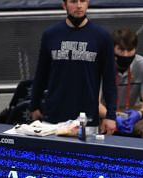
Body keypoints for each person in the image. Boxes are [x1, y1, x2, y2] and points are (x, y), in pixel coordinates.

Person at [30, 0, 117, 134]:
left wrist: (111, 115)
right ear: (64, 5)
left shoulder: (102, 37)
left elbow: (109, 80)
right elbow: (41, 74)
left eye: (83, 1)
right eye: (73, 1)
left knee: (83, 155)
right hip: (53, 116)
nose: (79, 5)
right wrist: (34, 105)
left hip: (86, 117)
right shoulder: (50, 35)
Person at [98, 29, 143, 140]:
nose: (125, 55)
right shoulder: (100, 65)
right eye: (121, 50)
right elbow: (94, 103)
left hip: (131, 110)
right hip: (104, 110)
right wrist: (111, 115)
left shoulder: (142, 65)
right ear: (112, 49)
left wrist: (140, 114)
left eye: (130, 50)